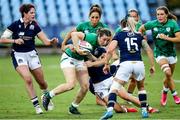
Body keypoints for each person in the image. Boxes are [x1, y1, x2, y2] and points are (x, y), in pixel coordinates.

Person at [0, 4, 58, 114]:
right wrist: (14, 41)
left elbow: (45, 41)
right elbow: (2, 40)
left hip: (32, 55)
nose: (33, 14)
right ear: (24, 13)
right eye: (31, 12)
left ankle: (46, 97)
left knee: (42, 83)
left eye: (34, 12)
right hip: (18, 55)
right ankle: (37, 107)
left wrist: (51, 42)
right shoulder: (15, 25)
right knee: (28, 79)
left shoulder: (35, 25)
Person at [42, 28, 112, 114]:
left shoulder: (100, 46)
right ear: (99, 36)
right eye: (104, 39)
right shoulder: (91, 37)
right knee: (71, 84)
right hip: (69, 57)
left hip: (80, 61)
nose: (105, 42)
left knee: (85, 86)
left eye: (108, 40)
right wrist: (76, 48)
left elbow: (89, 55)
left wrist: (97, 60)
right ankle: (48, 96)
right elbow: (74, 34)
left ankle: (73, 107)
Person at [100, 16, 155, 119]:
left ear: (122, 25)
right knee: (141, 87)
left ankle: (110, 110)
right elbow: (149, 50)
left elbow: (110, 50)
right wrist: (152, 65)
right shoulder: (139, 35)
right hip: (139, 63)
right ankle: (144, 111)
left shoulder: (119, 34)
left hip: (125, 64)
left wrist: (106, 64)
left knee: (114, 88)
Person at [87, 47, 159, 114]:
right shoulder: (84, 60)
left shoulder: (100, 56)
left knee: (126, 96)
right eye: (102, 56)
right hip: (99, 87)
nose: (104, 57)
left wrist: (92, 64)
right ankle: (125, 109)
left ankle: (149, 108)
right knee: (117, 109)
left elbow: (102, 61)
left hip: (110, 80)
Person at [139, 6, 180, 106]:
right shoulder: (153, 23)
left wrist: (167, 38)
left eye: (162, 14)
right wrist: (142, 37)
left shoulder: (172, 23)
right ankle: (175, 95)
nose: (159, 16)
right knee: (168, 73)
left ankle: (164, 91)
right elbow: (141, 28)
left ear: (166, 14)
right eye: (158, 14)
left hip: (171, 54)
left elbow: (178, 39)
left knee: (168, 76)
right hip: (159, 53)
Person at [116, 9, 144, 98]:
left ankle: (128, 96)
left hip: (136, 58)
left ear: (138, 17)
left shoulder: (140, 28)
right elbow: (113, 42)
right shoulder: (120, 30)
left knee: (135, 79)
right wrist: (114, 55)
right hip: (124, 59)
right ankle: (115, 95)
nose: (132, 18)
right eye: (130, 16)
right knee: (122, 80)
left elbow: (144, 41)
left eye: (134, 16)